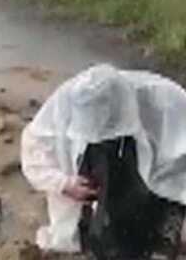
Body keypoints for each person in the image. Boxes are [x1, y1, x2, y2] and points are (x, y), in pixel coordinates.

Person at [21, 64, 186, 252]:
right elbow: (33, 150)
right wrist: (64, 184)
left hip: (163, 176)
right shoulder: (66, 102)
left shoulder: (165, 103)